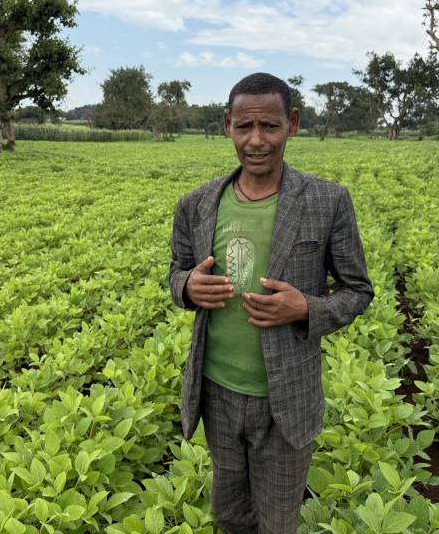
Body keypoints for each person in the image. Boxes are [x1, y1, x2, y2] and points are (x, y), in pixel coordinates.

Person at [168, 72, 373, 533]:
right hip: (216, 392)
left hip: (286, 398)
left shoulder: (327, 200)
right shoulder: (197, 204)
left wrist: (307, 308)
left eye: (269, 127)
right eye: (244, 127)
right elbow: (176, 273)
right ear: (227, 125)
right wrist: (187, 288)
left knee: (278, 520)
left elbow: (358, 291)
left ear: (293, 123)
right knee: (229, 513)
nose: (256, 140)